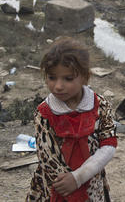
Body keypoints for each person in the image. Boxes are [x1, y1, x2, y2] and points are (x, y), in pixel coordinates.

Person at [27, 37, 117, 201]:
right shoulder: (44, 112)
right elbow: (47, 156)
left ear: (84, 77)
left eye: (68, 79)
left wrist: (78, 177)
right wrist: (68, 183)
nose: (58, 86)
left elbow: (109, 144)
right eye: (52, 77)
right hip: (56, 183)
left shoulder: (101, 105)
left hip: (90, 180)